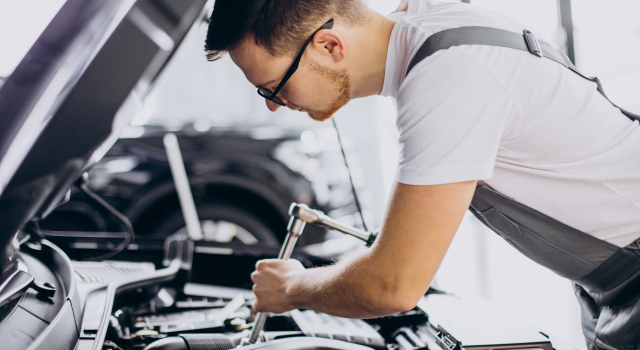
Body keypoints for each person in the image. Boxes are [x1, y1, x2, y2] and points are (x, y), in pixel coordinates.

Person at [204, 0, 640, 348]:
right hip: (607, 282)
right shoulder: (425, 24)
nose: (273, 105)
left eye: (273, 86)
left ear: (329, 46)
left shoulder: (445, 74)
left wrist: (293, 287)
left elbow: (393, 285)